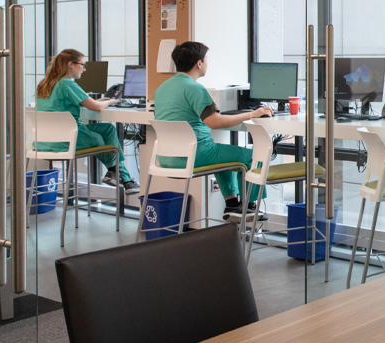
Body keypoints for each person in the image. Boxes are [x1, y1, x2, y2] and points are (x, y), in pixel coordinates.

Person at [153, 41, 272, 218]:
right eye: (206, 59)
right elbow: (214, 122)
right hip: (194, 155)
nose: (207, 63)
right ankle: (249, 208)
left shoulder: (162, 88)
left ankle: (232, 204)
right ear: (198, 63)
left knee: (223, 156)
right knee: (252, 157)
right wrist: (251, 115)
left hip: (166, 158)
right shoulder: (195, 88)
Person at [36, 49, 139, 195]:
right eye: (82, 65)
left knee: (108, 129)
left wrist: (95, 102)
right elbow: (96, 107)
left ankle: (122, 178)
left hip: (44, 140)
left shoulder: (45, 84)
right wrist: (110, 101)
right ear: (70, 64)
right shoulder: (66, 84)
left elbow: (69, 104)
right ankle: (118, 175)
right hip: (66, 140)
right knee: (98, 139)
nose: (84, 69)